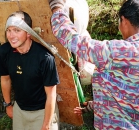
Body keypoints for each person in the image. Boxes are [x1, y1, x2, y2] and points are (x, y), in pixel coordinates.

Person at [48, 0, 139, 129]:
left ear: (124, 20)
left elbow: (72, 39)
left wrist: (56, 7)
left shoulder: (119, 51)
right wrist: (93, 105)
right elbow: (127, 92)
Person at [0, 11, 60, 130]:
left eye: (17, 30)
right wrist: (8, 104)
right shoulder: (4, 52)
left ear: (29, 33)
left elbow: (51, 95)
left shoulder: (45, 58)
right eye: (9, 30)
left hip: (42, 112)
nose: (11, 35)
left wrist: (46, 125)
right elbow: (5, 79)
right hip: (19, 109)